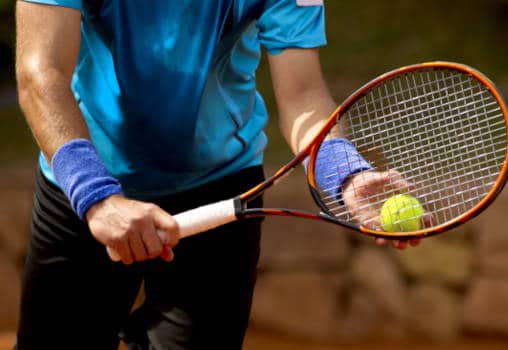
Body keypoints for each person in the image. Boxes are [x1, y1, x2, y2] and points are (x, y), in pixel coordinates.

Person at [13, 0, 420, 349]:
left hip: (219, 189)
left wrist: (344, 173)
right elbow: (40, 73)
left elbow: (304, 98)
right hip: (82, 186)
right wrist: (97, 198)